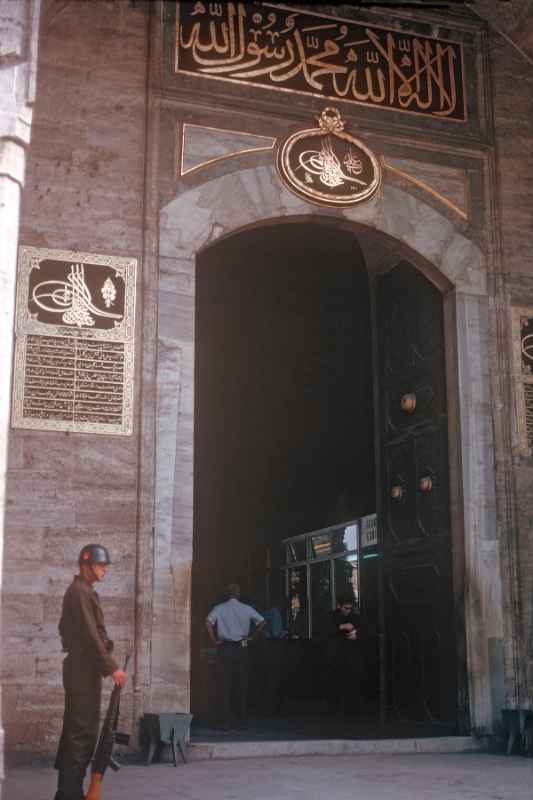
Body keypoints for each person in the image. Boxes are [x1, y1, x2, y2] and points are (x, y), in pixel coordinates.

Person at [53, 544, 127, 800]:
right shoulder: (79, 592)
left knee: (81, 731)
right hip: (83, 669)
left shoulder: (84, 591)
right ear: (86, 565)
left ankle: (68, 791)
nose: (104, 569)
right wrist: (112, 668)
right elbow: (90, 634)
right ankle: (68, 793)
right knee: (81, 733)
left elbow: (68, 629)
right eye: (100, 564)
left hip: (84, 668)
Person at [206, 583, 265, 730]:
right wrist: (252, 637)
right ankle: (241, 720)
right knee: (241, 684)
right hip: (242, 647)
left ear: (228, 594)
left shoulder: (219, 608)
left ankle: (225, 721)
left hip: (225, 648)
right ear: (238, 594)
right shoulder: (246, 608)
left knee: (224, 684)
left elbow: (208, 622)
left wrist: (214, 640)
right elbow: (262, 622)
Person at [324, 593, 362, 715]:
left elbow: (364, 629)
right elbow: (324, 630)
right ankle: (334, 710)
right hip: (335, 656)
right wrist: (342, 626)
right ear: (339, 606)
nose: (348, 611)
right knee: (335, 684)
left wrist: (356, 634)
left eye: (350, 608)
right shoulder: (330, 617)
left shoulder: (355, 617)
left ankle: (350, 710)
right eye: (346, 608)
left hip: (350, 657)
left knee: (350, 684)